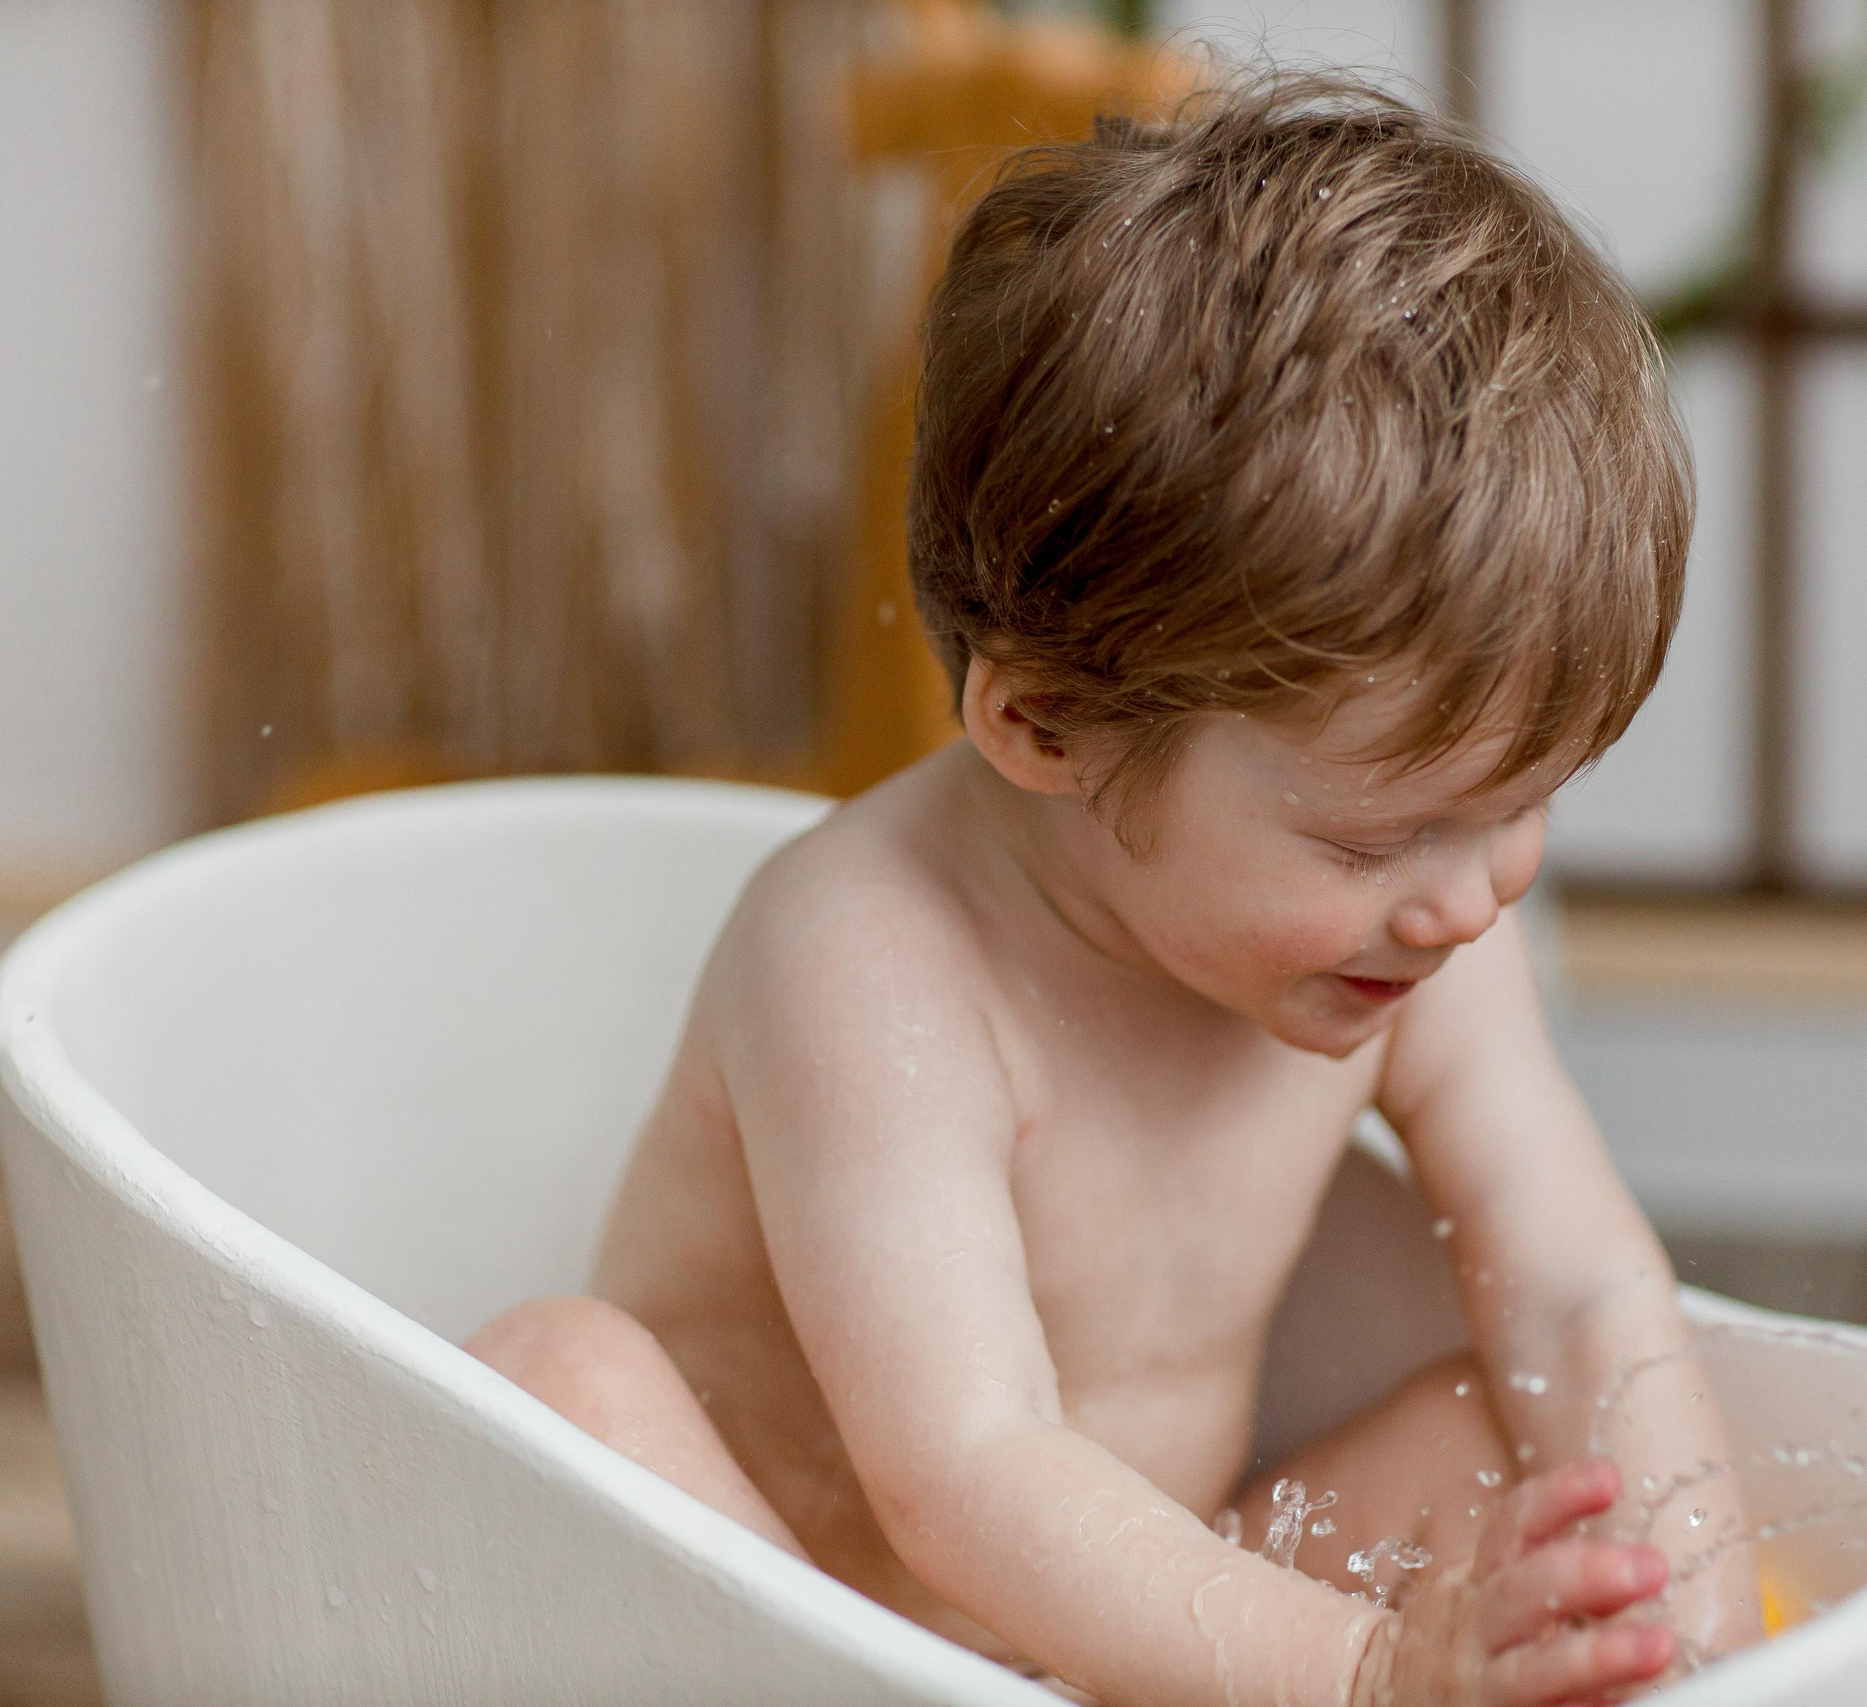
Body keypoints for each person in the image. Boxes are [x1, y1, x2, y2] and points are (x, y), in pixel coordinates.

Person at [467, 70, 1760, 1706]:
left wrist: (1708, 1651)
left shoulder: (1419, 933)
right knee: (557, 1380)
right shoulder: (871, 966)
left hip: (1171, 1633)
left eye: (1517, 810)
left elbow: (1576, 1298)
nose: (1464, 901)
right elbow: (969, 1466)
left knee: (1517, 1471)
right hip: (798, 1644)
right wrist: (1369, 1675)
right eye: (1371, 841)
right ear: (1045, 723)